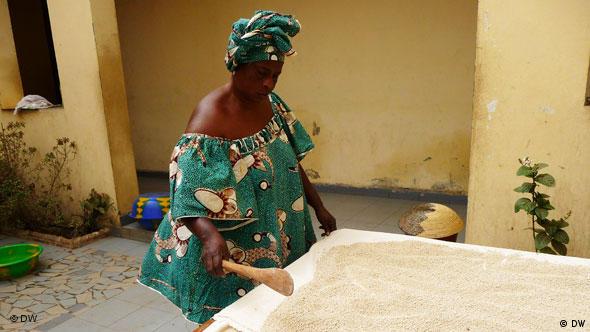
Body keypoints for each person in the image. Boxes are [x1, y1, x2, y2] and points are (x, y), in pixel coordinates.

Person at [138, 10, 337, 324]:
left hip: (277, 228)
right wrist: (209, 238)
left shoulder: (272, 105)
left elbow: (289, 162)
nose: (269, 83)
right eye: (261, 73)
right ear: (237, 65)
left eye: (276, 75)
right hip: (229, 245)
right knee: (231, 318)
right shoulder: (208, 123)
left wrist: (319, 206)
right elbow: (185, 199)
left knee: (272, 311)